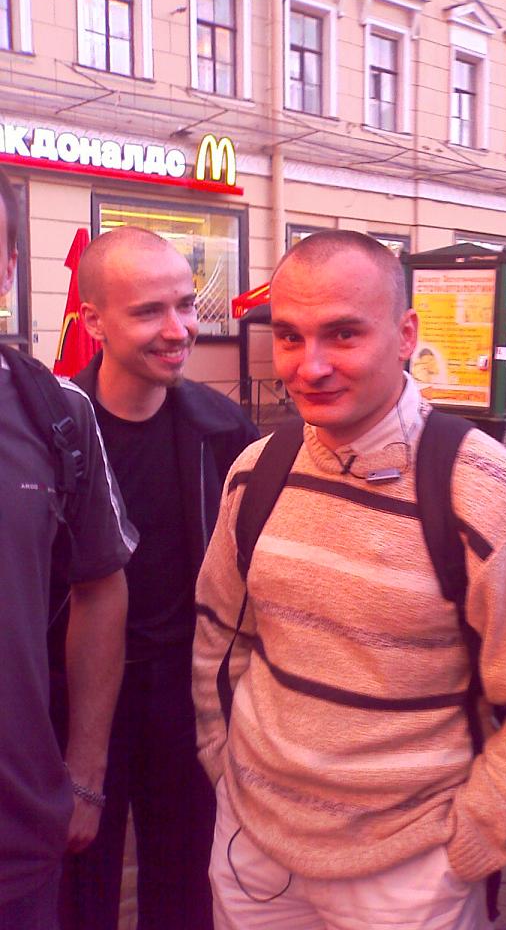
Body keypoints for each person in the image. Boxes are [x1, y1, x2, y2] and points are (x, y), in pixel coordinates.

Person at [192, 231, 506, 930]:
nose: (310, 366)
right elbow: (220, 635)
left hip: (409, 873)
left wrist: (473, 839)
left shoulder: (495, 499)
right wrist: (223, 762)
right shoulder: (255, 472)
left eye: (343, 334)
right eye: (290, 337)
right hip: (253, 849)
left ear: (406, 334)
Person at [57, 227, 258, 930]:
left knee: (184, 889)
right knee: (77, 884)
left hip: (185, 695)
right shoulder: (51, 432)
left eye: (186, 305)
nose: (178, 330)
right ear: (94, 322)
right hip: (75, 697)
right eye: (149, 312)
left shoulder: (223, 429)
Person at [0, 168, 136, 930]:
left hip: (16, 838)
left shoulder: (56, 413)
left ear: (10, 267)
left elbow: (101, 585)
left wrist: (85, 772)